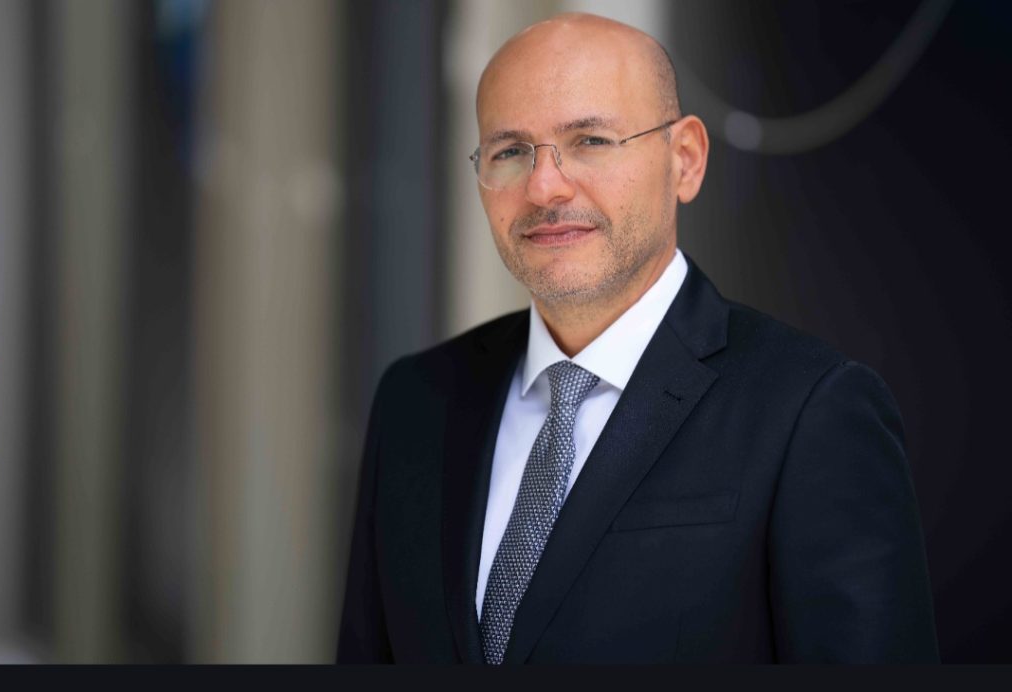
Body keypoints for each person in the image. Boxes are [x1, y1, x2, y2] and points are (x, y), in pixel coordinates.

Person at [337, 13, 938, 663]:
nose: (544, 185)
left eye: (590, 140)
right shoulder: (415, 401)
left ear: (685, 161)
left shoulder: (811, 411)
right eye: (510, 151)